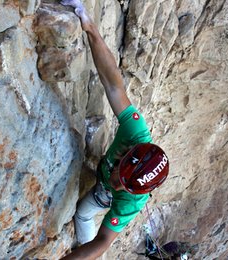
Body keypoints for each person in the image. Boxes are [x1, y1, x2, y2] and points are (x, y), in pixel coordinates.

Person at [60, 1, 170, 259]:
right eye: (120, 176)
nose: (117, 184)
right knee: (85, 212)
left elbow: (103, 242)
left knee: (85, 214)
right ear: (126, 153)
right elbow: (113, 84)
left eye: (123, 185)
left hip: (105, 197)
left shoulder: (130, 201)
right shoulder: (135, 131)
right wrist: (90, 27)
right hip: (103, 188)